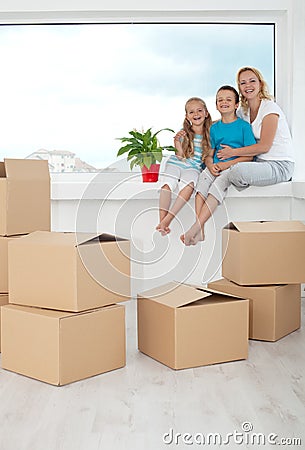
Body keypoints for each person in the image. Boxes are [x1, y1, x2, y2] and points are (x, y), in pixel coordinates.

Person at [181, 85, 256, 245]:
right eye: (220, 100)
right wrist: (210, 164)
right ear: (216, 105)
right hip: (214, 167)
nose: (224, 102)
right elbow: (209, 152)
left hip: (232, 167)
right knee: (201, 186)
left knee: (215, 190)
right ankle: (200, 231)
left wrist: (226, 165)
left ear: (236, 105)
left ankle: (195, 227)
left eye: (228, 99)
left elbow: (249, 156)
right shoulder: (214, 128)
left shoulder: (243, 127)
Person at [156, 97, 212, 235]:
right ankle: (163, 222)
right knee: (167, 184)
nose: (196, 114)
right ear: (187, 116)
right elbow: (180, 156)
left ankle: (168, 219)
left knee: (189, 185)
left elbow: (208, 156)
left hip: (193, 167)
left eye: (199, 110)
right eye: (191, 112)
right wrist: (177, 143)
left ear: (206, 113)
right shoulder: (184, 132)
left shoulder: (210, 135)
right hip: (177, 163)